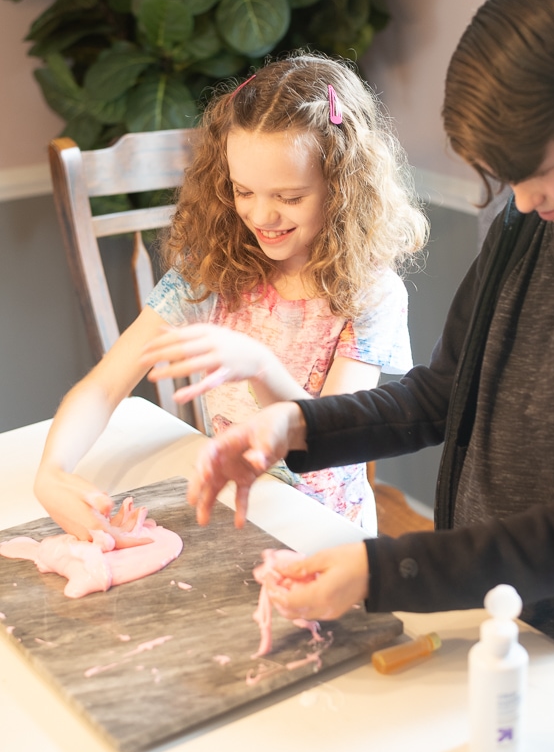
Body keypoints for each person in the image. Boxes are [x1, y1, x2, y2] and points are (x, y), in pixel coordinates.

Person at [186, 0, 554, 663]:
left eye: (536, 171)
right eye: (508, 179)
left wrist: (380, 571)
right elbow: (441, 394)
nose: (524, 201)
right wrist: (295, 424)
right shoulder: (526, 227)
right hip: (500, 609)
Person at [34, 53, 428, 544]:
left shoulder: (369, 293)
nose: (262, 215)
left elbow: (332, 438)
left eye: (289, 197)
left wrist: (260, 367)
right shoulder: (213, 273)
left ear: (343, 187)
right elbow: (104, 386)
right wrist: (52, 471)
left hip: (325, 535)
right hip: (234, 515)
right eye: (243, 191)